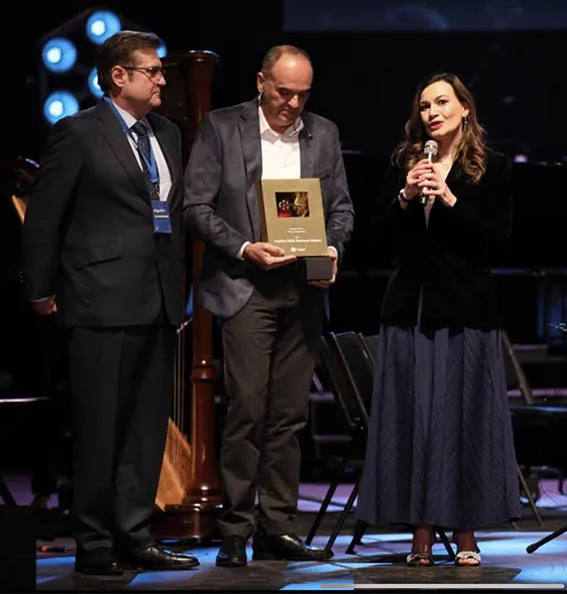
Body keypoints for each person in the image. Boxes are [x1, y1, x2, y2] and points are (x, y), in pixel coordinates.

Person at [21, 30, 199, 574]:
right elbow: (45, 216)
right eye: (154, 70)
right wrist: (39, 289)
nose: (164, 79)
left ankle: (135, 535)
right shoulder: (78, 133)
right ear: (119, 76)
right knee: (100, 429)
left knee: (146, 430)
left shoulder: (166, 133)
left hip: (160, 300)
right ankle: (94, 543)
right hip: (99, 301)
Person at [183, 45, 354, 567]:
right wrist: (243, 247)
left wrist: (331, 248)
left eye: (302, 94)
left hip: (302, 290)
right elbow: (194, 206)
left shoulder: (323, 132)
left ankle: (276, 525)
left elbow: (342, 208)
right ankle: (235, 528)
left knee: (288, 416)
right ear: (261, 82)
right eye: (284, 92)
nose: (293, 104)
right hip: (245, 286)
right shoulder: (221, 126)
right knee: (248, 411)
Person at [356, 72, 520, 567]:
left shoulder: (491, 168)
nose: (432, 112)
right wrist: (404, 197)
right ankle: (420, 534)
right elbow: (376, 244)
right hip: (410, 311)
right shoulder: (403, 164)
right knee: (414, 422)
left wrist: (447, 199)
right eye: (425, 105)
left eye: (443, 102)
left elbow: (496, 243)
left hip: (466, 311)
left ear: (465, 108)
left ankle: (466, 532)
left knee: (463, 421)